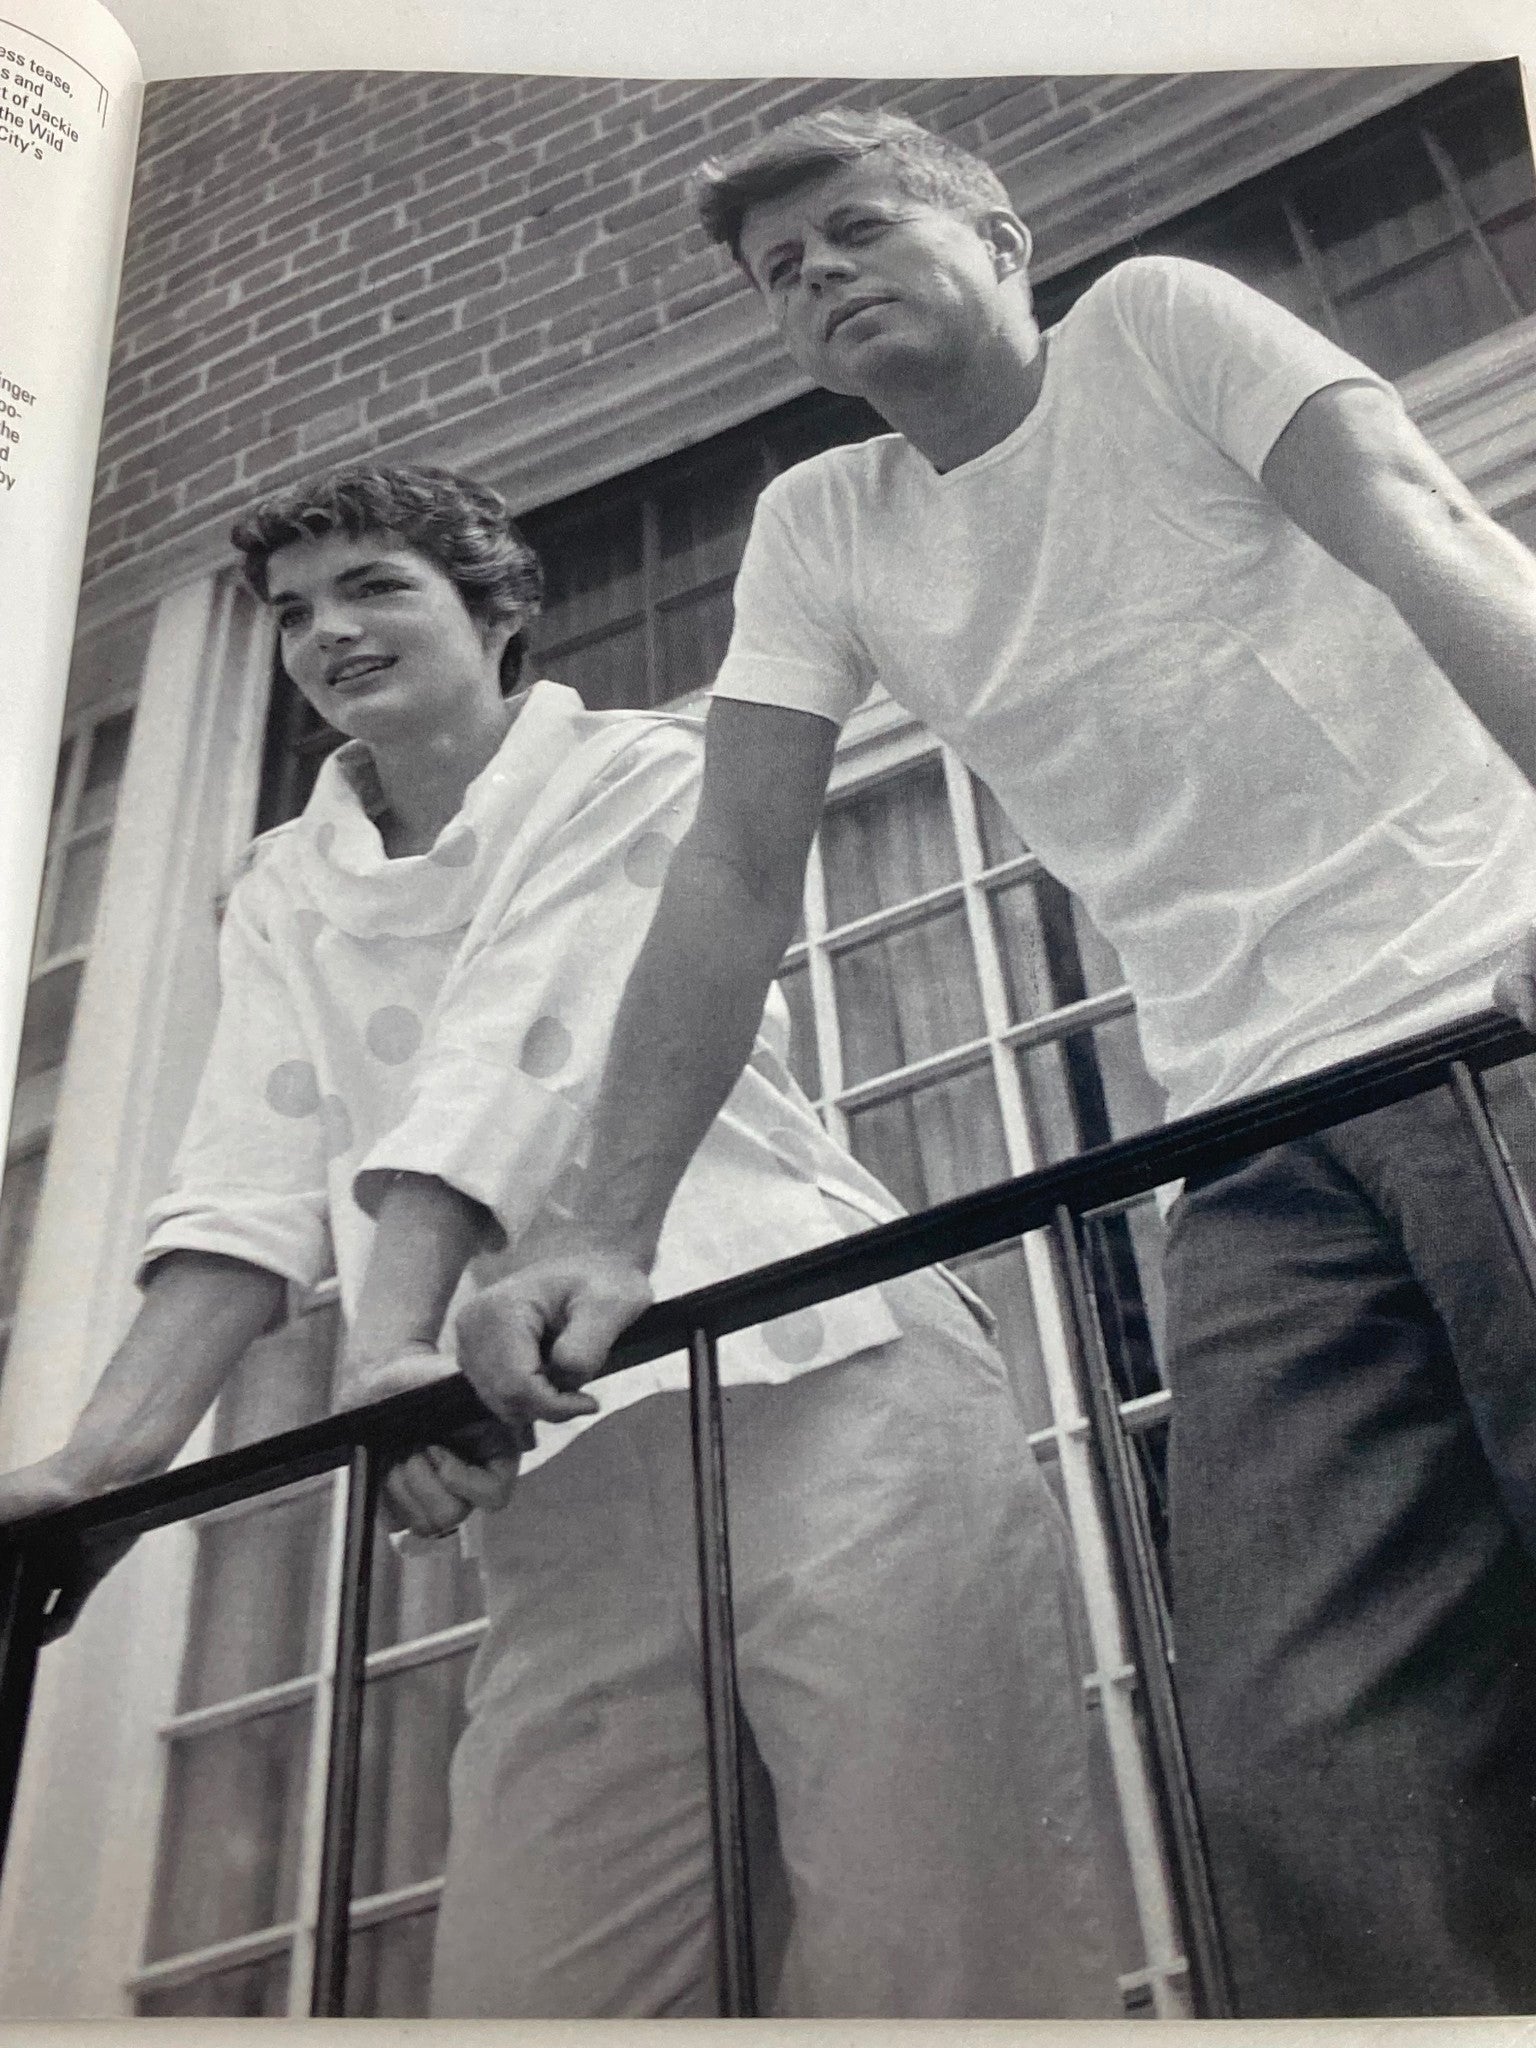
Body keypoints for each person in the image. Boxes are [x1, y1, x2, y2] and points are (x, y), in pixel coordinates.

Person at [451, 110, 1536, 2017]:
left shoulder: (1161, 329)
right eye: (783, 274)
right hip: (1253, 1141)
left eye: (859, 229)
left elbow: (1430, 527)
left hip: (1491, 1017)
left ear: (1007, 240)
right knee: (1303, 1744)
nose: (819, 277)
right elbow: (730, 870)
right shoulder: (828, 527)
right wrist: (606, 1230)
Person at [0, 461, 1118, 2019]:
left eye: (375, 586)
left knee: (936, 1940)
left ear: (500, 609)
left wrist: (392, 1353)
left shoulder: (641, 772)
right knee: (542, 1988)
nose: (329, 634)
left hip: (825, 1384)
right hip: (561, 1467)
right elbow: (246, 1190)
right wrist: (100, 1471)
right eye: (294, 613)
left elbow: (516, 1053)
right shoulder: (279, 889)